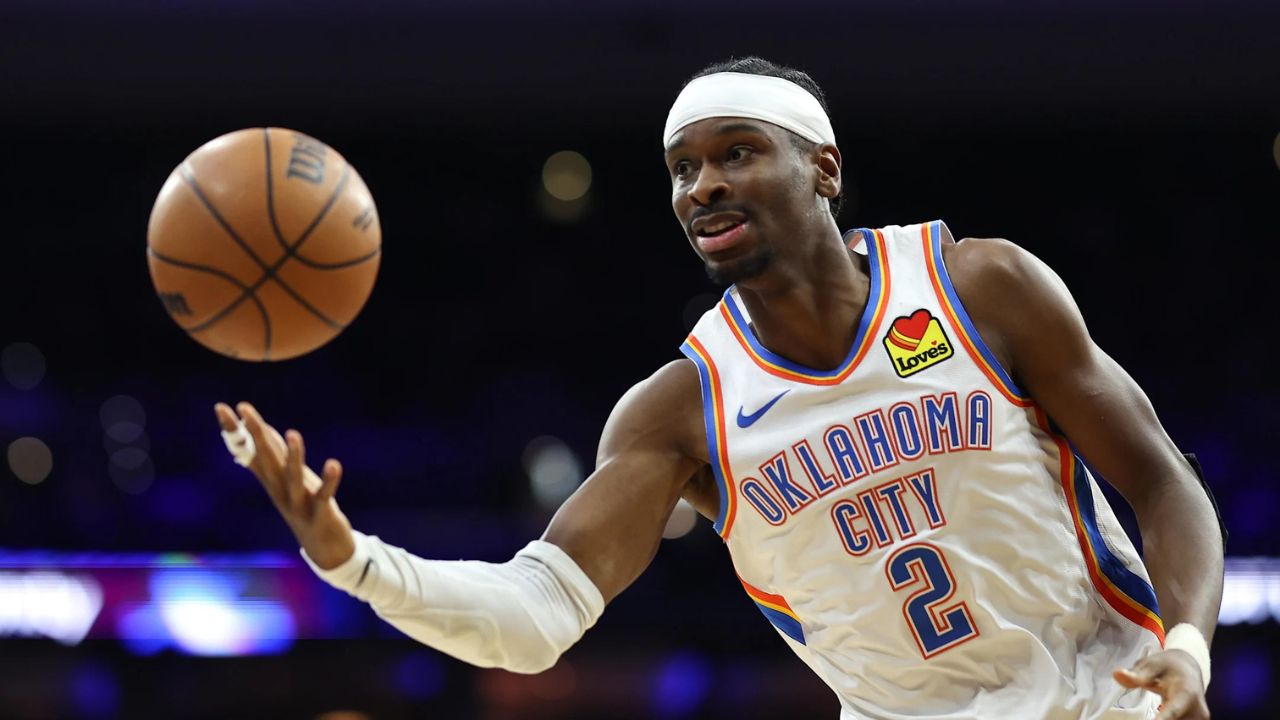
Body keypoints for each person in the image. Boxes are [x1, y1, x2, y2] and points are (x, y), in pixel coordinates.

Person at [214, 57, 1224, 719]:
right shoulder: (682, 408)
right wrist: (355, 561)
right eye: (680, 168)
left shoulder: (976, 287)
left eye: (736, 153)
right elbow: (533, 619)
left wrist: (1186, 645)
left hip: (1117, 701)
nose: (700, 187)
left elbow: (1161, 484)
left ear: (822, 167)